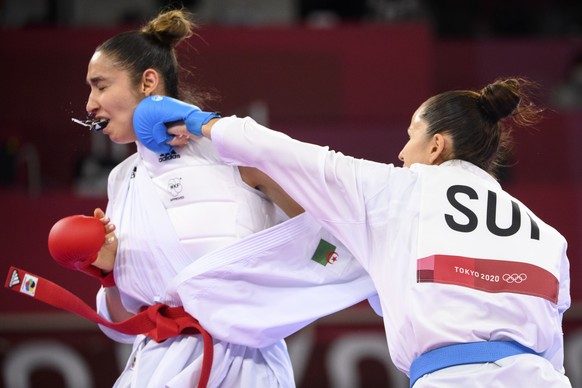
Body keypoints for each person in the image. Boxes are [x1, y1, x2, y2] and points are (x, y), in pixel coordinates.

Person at [134, 77, 573, 387]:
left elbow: (282, 152)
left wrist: (198, 121)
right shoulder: (549, 237)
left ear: (437, 145)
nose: (401, 153)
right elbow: (553, 353)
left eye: (411, 136)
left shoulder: (396, 191)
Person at [72, 7, 377, 388]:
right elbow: (123, 324)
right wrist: (107, 274)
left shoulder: (233, 152)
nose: (89, 104)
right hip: (156, 366)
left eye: (100, 86)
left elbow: (323, 235)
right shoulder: (123, 179)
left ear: (148, 82)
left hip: (242, 365)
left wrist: (328, 270)